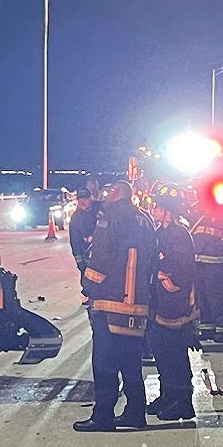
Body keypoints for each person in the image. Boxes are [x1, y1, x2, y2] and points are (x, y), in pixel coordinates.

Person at [74, 181, 155, 432]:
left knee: (104, 362)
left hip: (110, 301)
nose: (105, 196)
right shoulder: (144, 219)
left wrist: (88, 284)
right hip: (137, 302)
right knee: (131, 361)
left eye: (109, 192)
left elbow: (101, 256)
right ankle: (135, 412)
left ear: (118, 194)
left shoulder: (109, 217)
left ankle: (103, 416)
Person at [146, 184, 198, 421]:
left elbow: (176, 266)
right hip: (160, 303)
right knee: (161, 352)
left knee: (175, 354)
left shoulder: (179, 235)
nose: (154, 209)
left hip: (175, 305)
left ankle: (182, 402)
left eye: (158, 206)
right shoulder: (161, 232)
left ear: (168, 210)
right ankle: (167, 396)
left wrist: (156, 268)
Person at [189, 180, 223, 342]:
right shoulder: (195, 210)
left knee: (217, 296)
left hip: (214, 262)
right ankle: (207, 327)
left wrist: (221, 244)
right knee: (201, 296)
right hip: (197, 261)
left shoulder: (222, 210)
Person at [68, 187, 100, 304]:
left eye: (85, 198)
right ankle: (90, 296)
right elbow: (74, 241)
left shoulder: (101, 209)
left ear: (91, 198)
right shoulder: (76, 218)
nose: (82, 201)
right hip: (87, 252)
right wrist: (79, 260)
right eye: (80, 199)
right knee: (87, 276)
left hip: (104, 250)